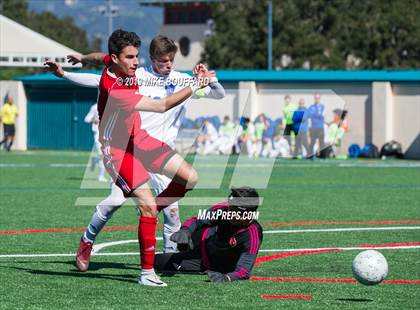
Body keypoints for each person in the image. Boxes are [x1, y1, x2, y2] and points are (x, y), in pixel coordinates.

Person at [44, 33, 224, 286]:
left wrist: (82, 58)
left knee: (189, 179)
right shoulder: (117, 86)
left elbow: (100, 59)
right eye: (130, 57)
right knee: (117, 202)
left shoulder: (127, 65)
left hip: (142, 138)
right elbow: (161, 106)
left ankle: (154, 222)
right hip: (118, 150)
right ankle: (118, 257)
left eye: (136, 56)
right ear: (119, 59)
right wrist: (196, 84)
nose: (135, 62)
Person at [154, 187, 263, 282]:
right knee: (200, 226)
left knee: (157, 261)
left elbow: (243, 271)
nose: (229, 213)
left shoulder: (253, 235)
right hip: (203, 243)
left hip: (205, 263)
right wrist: (185, 231)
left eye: (234, 211)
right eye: (230, 207)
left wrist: (227, 278)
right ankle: (186, 243)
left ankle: (186, 250)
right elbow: (197, 220)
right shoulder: (223, 210)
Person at [84, 103, 107, 182]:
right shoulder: (95, 107)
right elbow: (86, 119)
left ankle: (95, 160)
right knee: (104, 156)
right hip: (98, 135)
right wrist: (94, 120)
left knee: (107, 156)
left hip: (107, 136)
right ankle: (100, 176)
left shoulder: (112, 106)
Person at [308, 93, 325, 158]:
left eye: (318, 98)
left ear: (319, 99)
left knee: (321, 142)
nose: (317, 99)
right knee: (312, 142)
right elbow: (310, 117)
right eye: (315, 98)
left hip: (320, 127)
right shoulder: (311, 107)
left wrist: (315, 115)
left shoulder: (322, 107)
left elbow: (322, 116)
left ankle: (322, 156)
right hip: (313, 128)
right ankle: (310, 155)